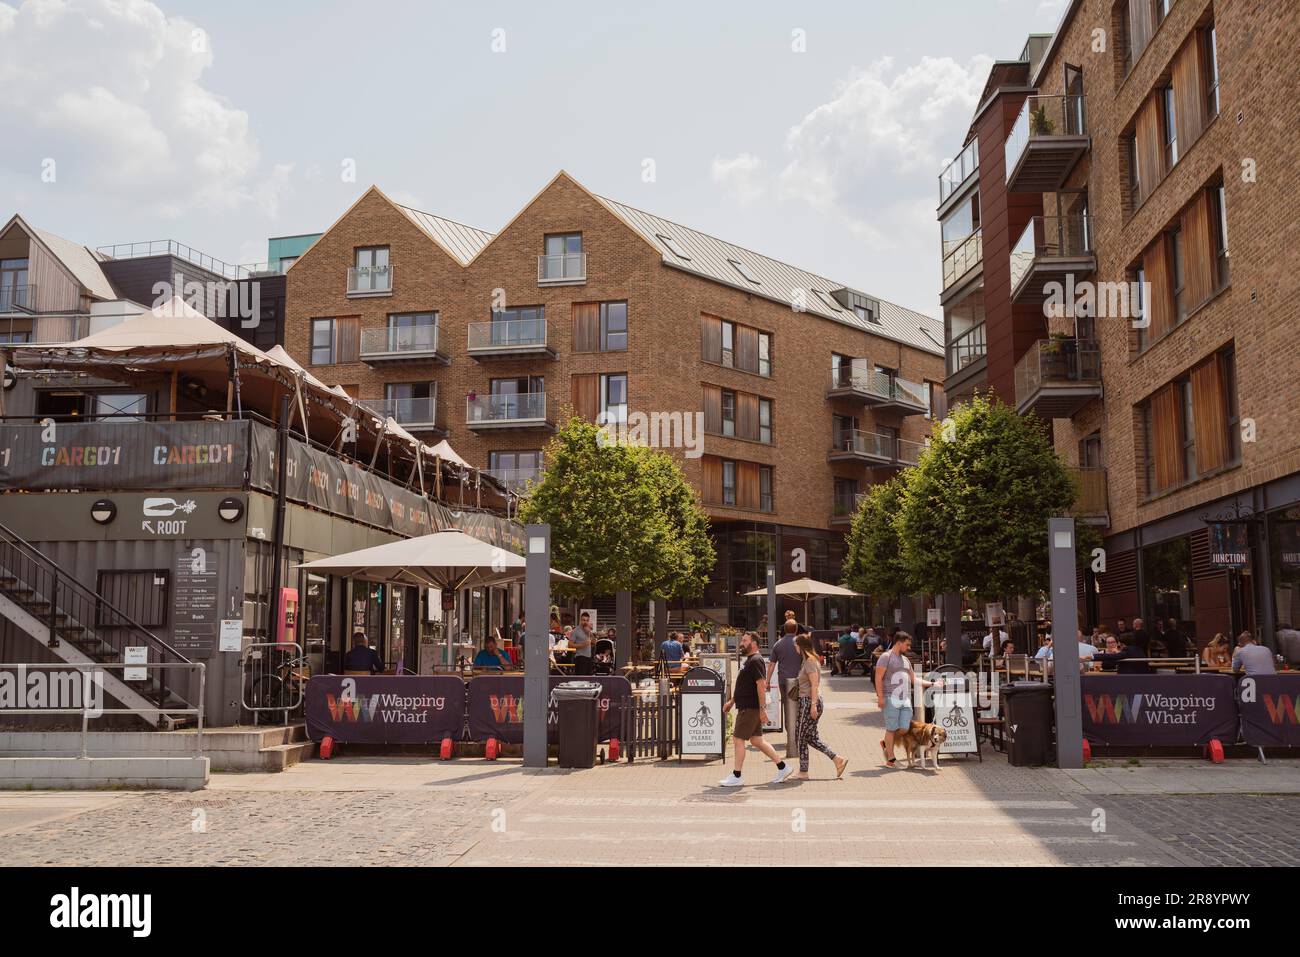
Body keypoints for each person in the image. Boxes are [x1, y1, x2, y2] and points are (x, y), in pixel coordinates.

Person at [719, 632, 793, 786]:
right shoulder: (750, 660)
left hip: (750, 708)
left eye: (745, 640)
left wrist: (762, 709)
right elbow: (743, 686)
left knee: (738, 739)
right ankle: (783, 767)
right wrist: (732, 702)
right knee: (757, 740)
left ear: (753, 643)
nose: (741, 643)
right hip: (747, 706)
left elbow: (761, 685)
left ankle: (737, 776)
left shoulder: (756, 660)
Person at [875, 631, 935, 768]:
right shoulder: (886, 657)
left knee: (904, 727)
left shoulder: (905, 660)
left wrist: (932, 684)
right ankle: (891, 759)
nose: (908, 647)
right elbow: (878, 678)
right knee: (891, 728)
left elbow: (914, 679)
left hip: (905, 698)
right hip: (890, 697)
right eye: (907, 644)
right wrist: (880, 697)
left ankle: (885, 742)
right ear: (899, 643)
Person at [793, 633, 847, 780]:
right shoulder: (808, 660)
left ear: (801, 646)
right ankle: (836, 759)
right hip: (809, 701)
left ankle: (804, 772)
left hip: (808, 701)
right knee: (808, 736)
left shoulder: (810, 661)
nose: (795, 648)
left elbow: (814, 684)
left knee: (801, 736)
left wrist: (813, 705)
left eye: (796, 645)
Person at [767, 621, 803, 757]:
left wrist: (767, 681)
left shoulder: (778, 644)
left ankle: (791, 739)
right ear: (796, 629)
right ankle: (799, 738)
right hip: (799, 681)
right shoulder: (800, 643)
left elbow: (771, 664)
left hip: (783, 681)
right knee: (800, 708)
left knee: (787, 709)